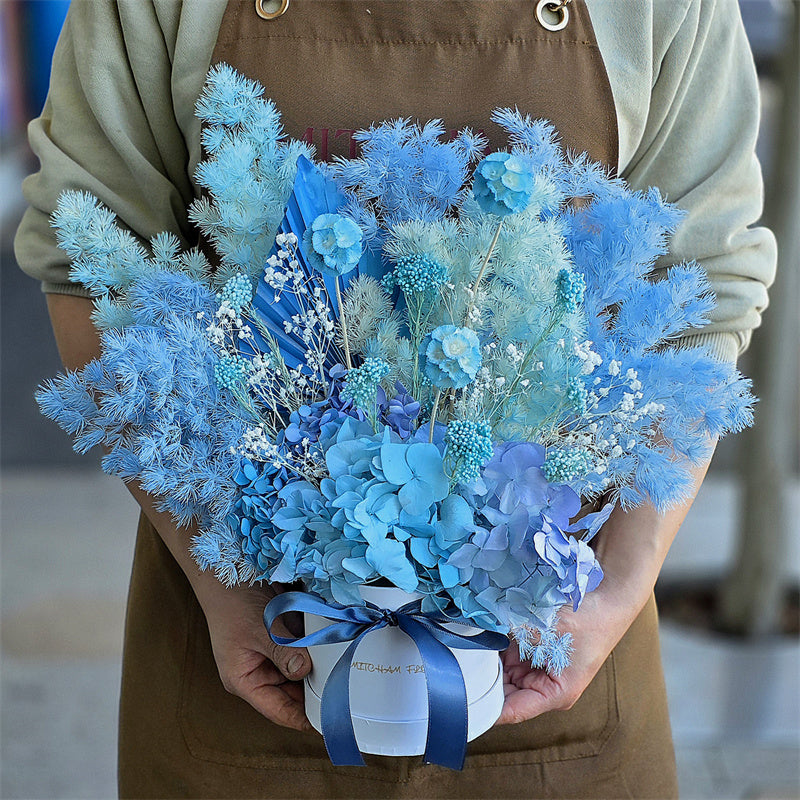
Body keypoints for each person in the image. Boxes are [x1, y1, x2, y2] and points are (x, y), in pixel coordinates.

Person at [15, 1, 775, 797]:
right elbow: (91, 263)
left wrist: (620, 583)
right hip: (250, 653)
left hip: (554, 656)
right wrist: (224, 585)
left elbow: (707, 284)